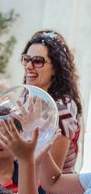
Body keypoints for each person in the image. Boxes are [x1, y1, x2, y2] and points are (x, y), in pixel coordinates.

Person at [21, 31, 82, 183]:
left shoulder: (61, 110)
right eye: (26, 59)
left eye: (38, 61)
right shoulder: (28, 97)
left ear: (55, 67)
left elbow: (52, 178)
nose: (29, 66)